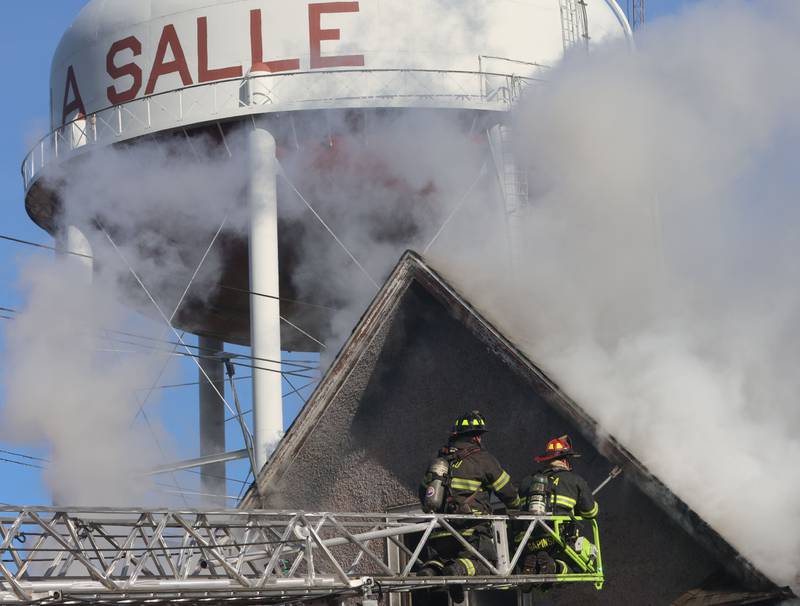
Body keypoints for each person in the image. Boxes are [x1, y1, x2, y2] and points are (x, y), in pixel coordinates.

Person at [417, 410, 521, 601]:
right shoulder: (483, 459)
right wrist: (517, 504)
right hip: (471, 531)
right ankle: (456, 571)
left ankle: (430, 570)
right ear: (476, 437)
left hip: (440, 531)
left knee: (440, 562)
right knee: (486, 564)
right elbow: (508, 493)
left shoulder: (440, 461)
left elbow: (423, 494)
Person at [517, 435, 599, 578]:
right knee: (582, 567)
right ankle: (553, 566)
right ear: (565, 460)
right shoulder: (575, 480)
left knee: (539, 559)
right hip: (559, 538)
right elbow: (591, 512)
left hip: (528, 540)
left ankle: (534, 563)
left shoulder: (527, 481)